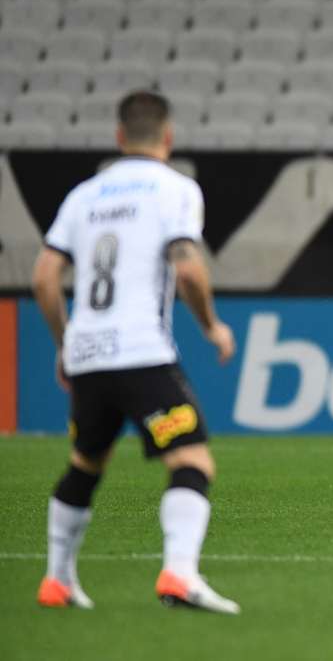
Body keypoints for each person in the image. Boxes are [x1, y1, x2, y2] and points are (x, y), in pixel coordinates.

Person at [32, 90, 240, 613]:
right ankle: (180, 574)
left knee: (86, 462)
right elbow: (188, 267)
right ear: (167, 137)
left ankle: (57, 580)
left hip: (89, 354)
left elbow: (43, 278)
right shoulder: (176, 190)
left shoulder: (83, 196)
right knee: (191, 458)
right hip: (141, 352)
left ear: (119, 137)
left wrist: (66, 346)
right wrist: (212, 327)